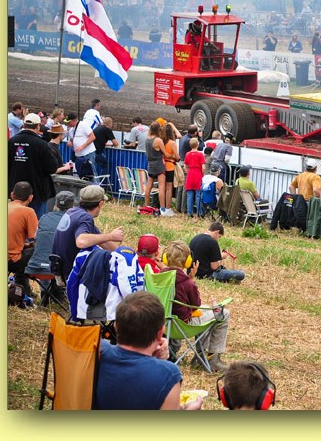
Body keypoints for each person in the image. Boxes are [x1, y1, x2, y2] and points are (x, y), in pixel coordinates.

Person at [94, 291, 199, 410]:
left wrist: (156, 360)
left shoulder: (97, 351)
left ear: (116, 327)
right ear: (161, 332)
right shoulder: (169, 375)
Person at [163, 241, 231, 373]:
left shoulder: (158, 276)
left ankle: (201, 356)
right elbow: (196, 305)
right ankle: (212, 358)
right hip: (182, 325)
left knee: (204, 312)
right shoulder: (186, 283)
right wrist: (191, 280)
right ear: (188, 261)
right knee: (223, 313)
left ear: (165, 258)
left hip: (163, 323)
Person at [51, 184, 124, 280]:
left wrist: (122, 255)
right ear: (100, 203)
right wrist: (111, 236)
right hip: (71, 274)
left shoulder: (73, 212)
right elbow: (81, 242)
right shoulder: (85, 217)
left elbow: (102, 240)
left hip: (59, 269)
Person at [25, 190, 77, 303]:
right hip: (61, 272)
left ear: (56, 204)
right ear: (73, 205)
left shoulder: (44, 217)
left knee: (45, 253)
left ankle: (46, 292)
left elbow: (35, 239)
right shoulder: (74, 220)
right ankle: (60, 293)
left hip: (36, 268)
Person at [8, 112, 58, 220]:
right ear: (38, 126)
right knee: (35, 223)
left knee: (17, 221)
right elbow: (52, 167)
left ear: (24, 125)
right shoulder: (41, 144)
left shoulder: (12, 141)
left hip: (16, 190)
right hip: (36, 191)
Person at [7, 181, 38, 299]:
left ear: (12, 195)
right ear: (31, 198)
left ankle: (22, 288)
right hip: (12, 260)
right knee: (39, 249)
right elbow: (37, 238)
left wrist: (23, 245)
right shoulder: (28, 211)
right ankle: (22, 287)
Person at [143, 121, 170, 215]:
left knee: (148, 186)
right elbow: (165, 154)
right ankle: (162, 208)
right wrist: (174, 156)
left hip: (150, 165)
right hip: (159, 166)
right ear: (159, 129)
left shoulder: (147, 139)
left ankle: (146, 205)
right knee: (161, 187)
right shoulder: (158, 140)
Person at [182, 138, 207, 216]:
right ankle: (199, 212)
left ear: (190, 145)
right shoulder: (200, 154)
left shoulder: (187, 154)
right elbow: (203, 167)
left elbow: (185, 166)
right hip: (198, 174)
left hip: (190, 174)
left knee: (189, 194)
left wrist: (188, 172)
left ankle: (189, 212)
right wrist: (204, 174)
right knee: (198, 194)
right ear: (198, 144)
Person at [162, 122, 182, 213]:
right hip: (170, 166)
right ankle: (168, 208)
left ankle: (162, 206)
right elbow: (177, 157)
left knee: (162, 187)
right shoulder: (172, 143)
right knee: (169, 188)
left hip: (162, 166)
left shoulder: (161, 141)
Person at [92, 116, 119, 182]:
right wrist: (114, 144)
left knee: (96, 166)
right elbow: (116, 143)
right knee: (105, 165)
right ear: (110, 124)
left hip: (92, 152)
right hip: (98, 152)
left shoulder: (97, 128)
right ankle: (101, 182)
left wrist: (109, 144)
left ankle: (96, 181)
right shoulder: (107, 129)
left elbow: (99, 141)